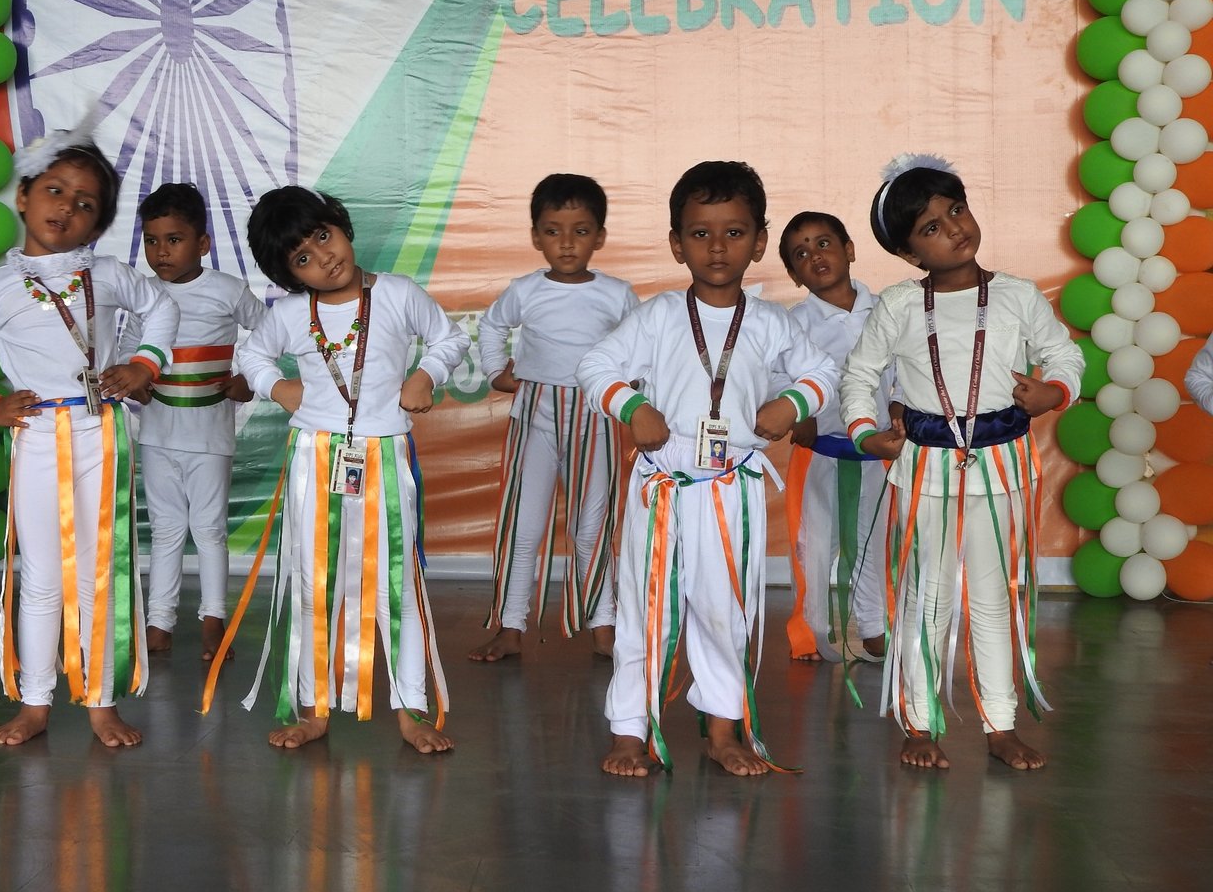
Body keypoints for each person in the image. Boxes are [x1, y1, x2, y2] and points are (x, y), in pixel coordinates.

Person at [578, 161, 839, 777]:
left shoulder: (772, 322)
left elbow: (823, 372)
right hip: (663, 488)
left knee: (727, 612)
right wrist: (634, 407)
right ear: (677, 243)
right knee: (645, 608)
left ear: (759, 241)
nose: (717, 247)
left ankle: (724, 728)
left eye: (734, 232)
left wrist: (791, 403)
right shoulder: (660, 315)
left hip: (731, 492)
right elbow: (595, 366)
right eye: (700, 233)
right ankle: (629, 729)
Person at [0, 127, 179, 748]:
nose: (66, 207)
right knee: (40, 576)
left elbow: (163, 308)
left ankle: (100, 702)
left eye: (86, 203)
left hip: (101, 431)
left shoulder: (109, 275)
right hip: (37, 436)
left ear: (99, 224)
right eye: (55, 191)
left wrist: (144, 364)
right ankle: (34, 702)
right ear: (24, 197)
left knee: (97, 571)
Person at [841, 154, 1082, 772]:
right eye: (931, 227)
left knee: (995, 597)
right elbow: (860, 374)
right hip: (926, 469)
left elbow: (1064, 356)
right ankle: (920, 722)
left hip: (1001, 465)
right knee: (927, 596)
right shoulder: (899, 305)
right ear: (908, 252)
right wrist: (866, 433)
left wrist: (1054, 392)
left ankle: (1000, 724)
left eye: (956, 210)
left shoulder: (1017, 295)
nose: (953, 229)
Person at [210, 186, 468, 754]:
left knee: (396, 585)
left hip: (385, 456)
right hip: (316, 459)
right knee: (313, 583)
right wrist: (278, 387)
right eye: (302, 257)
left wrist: (425, 375)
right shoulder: (289, 315)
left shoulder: (397, 294)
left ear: (342, 227)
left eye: (324, 237)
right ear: (288, 274)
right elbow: (251, 355)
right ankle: (314, 708)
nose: (324, 258)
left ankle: (412, 710)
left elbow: (450, 337)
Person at [470, 173, 637, 663]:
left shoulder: (617, 293)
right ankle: (510, 626)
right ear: (535, 236)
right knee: (523, 525)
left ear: (599, 237)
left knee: (592, 527)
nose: (566, 242)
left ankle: (603, 625)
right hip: (536, 414)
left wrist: (634, 394)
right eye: (553, 230)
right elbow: (492, 325)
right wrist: (496, 371)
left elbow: (642, 346)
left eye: (580, 231)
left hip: (596, 415)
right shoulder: (525, 290)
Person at [134, 182, 267, 660]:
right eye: (152, 241)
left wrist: (248, 380)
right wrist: (134, 380)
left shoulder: (228, 290)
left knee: (209, 529)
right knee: (166, 528)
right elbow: (130, 351)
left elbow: (269, 334)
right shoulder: (143, 294)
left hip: (210, 435)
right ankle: (159, 623)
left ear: (203, 243)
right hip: (156, 433)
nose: (161, 252)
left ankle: (214, 621)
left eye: (174, 240)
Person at [779, 211, 889, 665]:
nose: (815, 256)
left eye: (823, 243)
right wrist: (796, 411)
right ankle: (810, 632)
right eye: (800, 254)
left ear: (849, 249)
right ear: (793, 274)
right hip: (820, 451)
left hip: (879, 452)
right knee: (812, 546)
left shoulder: (886, 310)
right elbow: (776, 376)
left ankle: (875, 627)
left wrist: (901, 412)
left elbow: (905, 369)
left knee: (873, 543)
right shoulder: (794, 322)